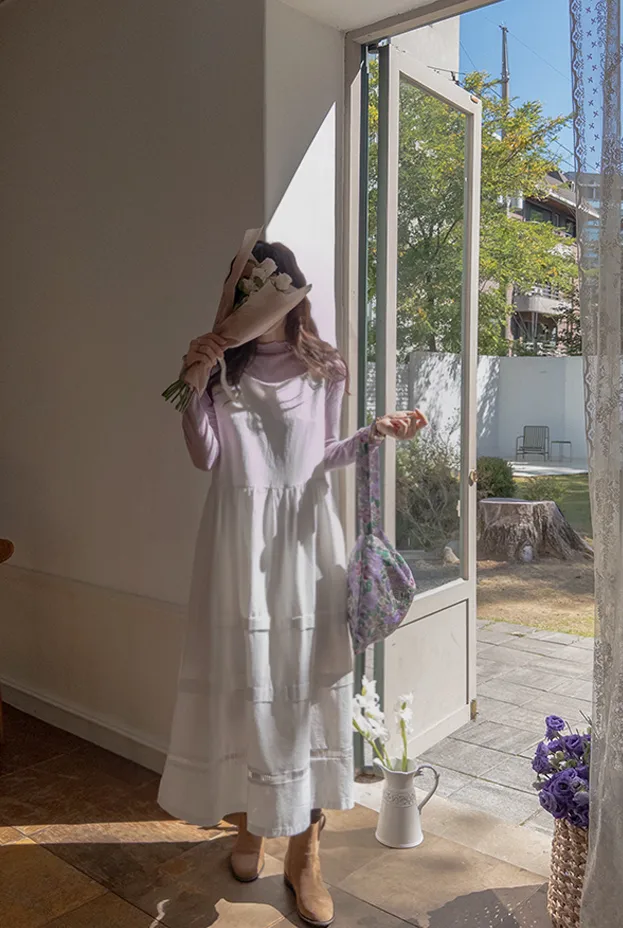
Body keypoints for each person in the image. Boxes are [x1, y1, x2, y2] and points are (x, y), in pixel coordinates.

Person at [158, 240, 426, 927]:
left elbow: (321, 456)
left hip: (306, 542)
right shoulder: (221, 365)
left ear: (293, 294)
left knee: (302, 690)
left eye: (268, 286)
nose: (257, 298)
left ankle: (306, 852)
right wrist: (194, 381)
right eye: (245, 287)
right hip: (237, 543)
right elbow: (206, 457)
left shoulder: (325, 367)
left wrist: (372, 433)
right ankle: (251, 823)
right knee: (246, 682)